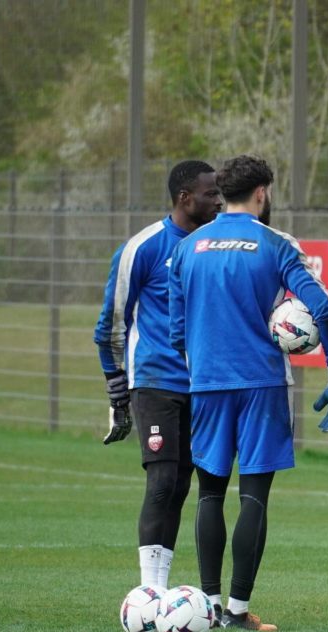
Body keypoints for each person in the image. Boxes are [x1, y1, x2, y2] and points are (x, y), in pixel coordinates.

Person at [168, 154, 328, 632]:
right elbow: (325, 312)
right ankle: (238, 610)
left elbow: (173, 331)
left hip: (206, 383)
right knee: (253, 498)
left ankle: (206, 611)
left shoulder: (187, 248)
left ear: (223, 192)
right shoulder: (275, 245)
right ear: (263, 193)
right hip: (263, 386)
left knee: (208, 495)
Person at [94, 160, 223, 590]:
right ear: (185, 198)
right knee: (163, 481)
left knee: (182, 484)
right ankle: (149, 592)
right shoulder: (143, 248)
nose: (218, 200)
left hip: (203, 385)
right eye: (209, 193)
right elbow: (110, 326)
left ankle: (162, 589)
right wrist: (119, 395)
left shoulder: (216, 246)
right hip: (155, 382)